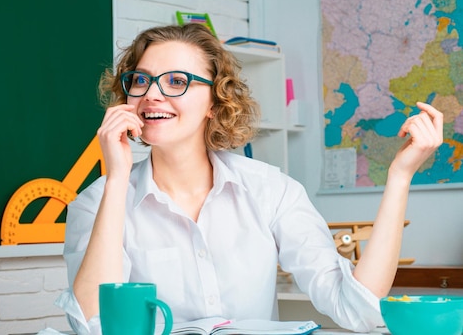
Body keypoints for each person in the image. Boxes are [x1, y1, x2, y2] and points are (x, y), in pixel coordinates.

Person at [55, 23, 443, 334]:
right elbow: (91, 324)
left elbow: (359, 310)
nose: (152, 95)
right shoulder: (97, 202)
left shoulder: (271, 190)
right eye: (140, 81)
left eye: (176, 82)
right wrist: (117, 177)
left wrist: (400, 176)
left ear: (214, 102)